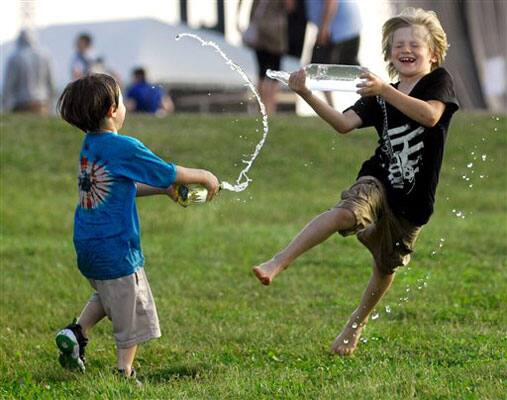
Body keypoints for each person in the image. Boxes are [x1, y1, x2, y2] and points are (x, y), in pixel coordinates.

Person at [252, 8, 459, 356]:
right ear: (389, 53)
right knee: (347, 211)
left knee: (385, 266)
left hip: (412, 203)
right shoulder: (380, 94)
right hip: (378, 177)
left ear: (433, 54)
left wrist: (383, 91)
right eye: (398, 45)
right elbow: (343, 123)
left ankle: (355, 325)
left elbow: (430, 115)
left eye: (414, 44)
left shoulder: (437, 83)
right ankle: (279, 261)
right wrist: (305, 93)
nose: (405, 50)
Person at [54, 73, 219, 382]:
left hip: (88, 245)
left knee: (109, 292)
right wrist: (205, 175)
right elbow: (168, 172)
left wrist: (160, 191)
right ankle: (123, 371)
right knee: (133, 310)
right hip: (116, 246)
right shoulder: (124, 147)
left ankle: (76, 333)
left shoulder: (90, 145)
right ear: (111, 110)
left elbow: (119, 185)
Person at [238, 0, 295, 114]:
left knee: (261, 72)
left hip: (260, 33)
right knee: (274, 73)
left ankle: (262, 107)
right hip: (275, 33)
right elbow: (290, 6)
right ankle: (270, 107)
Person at [305, 0, 362, 107]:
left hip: (341, 30)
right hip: (341, 29)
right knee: (318, 71)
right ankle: (331, 109)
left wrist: (324, 28)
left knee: (320, 69)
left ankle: (379, 97)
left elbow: (331, 2)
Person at [2, 30, 54, 114]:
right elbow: (51, 82)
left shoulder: (14, 58)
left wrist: (5, 105)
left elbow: (8, 85)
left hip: (21, 105)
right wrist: (51, 104)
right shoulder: (45, 56)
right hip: (42, 104)